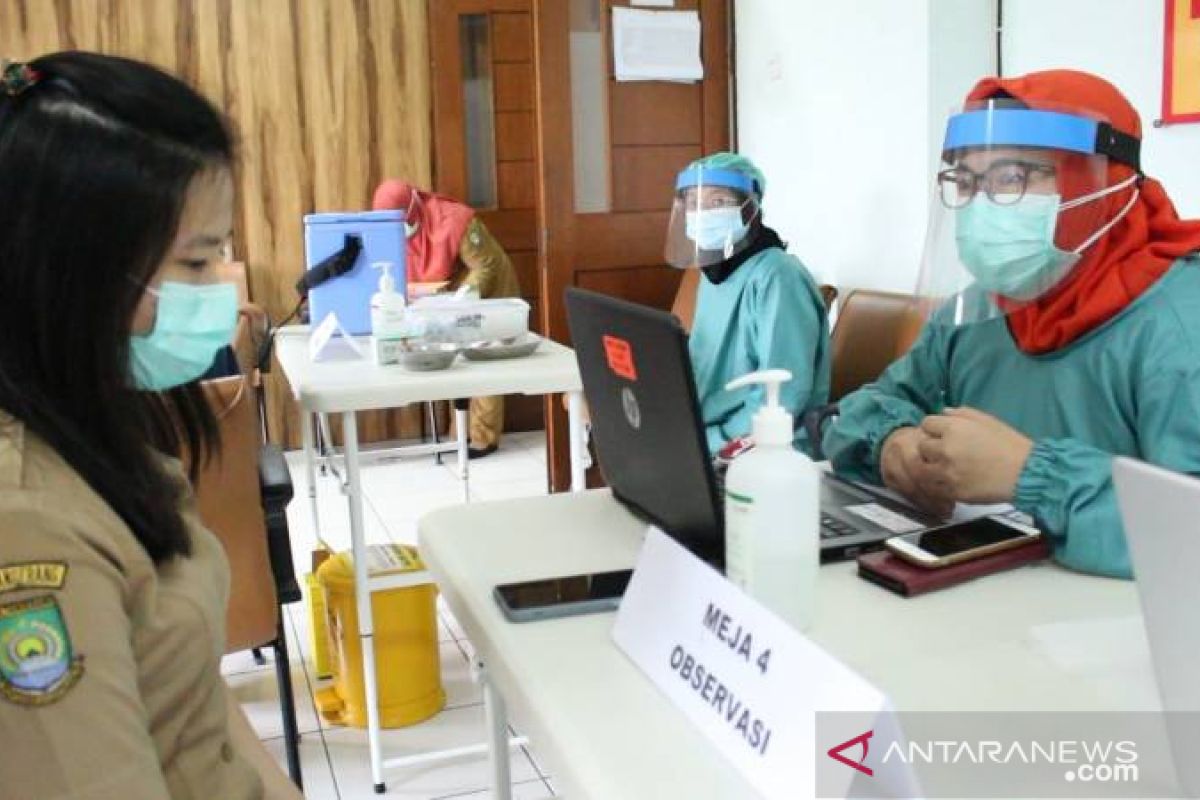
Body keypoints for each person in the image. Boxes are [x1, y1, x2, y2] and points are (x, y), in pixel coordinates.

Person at [0, 53, 301, 799]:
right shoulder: (27, 524)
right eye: (196, 263)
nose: (218, 294)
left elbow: (188, 695)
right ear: (73, 270)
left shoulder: (97, 427)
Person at [823, 70, 1200, 579]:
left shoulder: (1178, 325)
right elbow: (866, 408)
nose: (982, 205)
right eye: (966, 181)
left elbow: (1186, 534)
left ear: (1102, 183)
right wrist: (893, 444)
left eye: (1012, 178)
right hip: (988, 609)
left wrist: (1029, 476)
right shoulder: (981, 310)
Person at [664, 152, 831, 454]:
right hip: (704, 432)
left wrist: (709, 443)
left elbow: (782, 396)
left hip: (765, 446)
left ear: (749, 209)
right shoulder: (715, 270)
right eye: (693, 203)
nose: (702, 214)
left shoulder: (778, 277)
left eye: (717, 202)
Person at [372, 179, 522, 458]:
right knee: (459, 362)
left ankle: (483, 438)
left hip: (489, 290)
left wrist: (463, 296)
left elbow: (485, 266)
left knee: (484, 362)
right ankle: (459, 433)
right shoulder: (389, 229)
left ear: (413, 210)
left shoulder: (455, 220)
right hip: (450, 295)